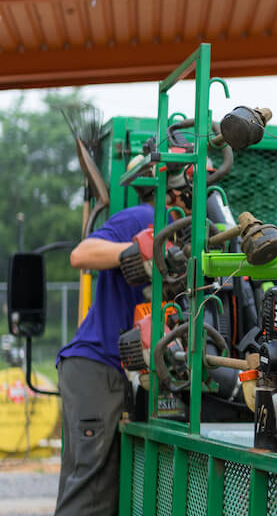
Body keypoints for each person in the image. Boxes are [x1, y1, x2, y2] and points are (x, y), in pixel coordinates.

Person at [56, 158, 184, 516]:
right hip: (99, 366)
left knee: (103, 489)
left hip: (111, 371)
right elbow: (81, 254)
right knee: (90, 494)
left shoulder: (179, 233)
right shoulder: (146, 218)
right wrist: (136, 251)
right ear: (176, 187)